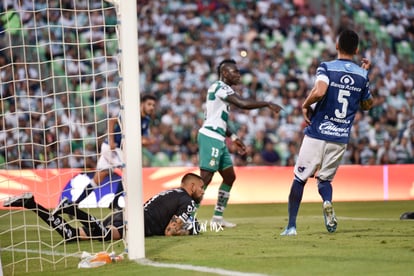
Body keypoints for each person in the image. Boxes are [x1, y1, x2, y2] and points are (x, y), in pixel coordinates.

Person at [280, 29, 374, 236]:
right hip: (340, 137)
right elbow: (368, 104)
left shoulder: (327, 67)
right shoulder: (362, 75)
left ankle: (291, 226)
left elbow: (320, 91)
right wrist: (364, 76)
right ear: (357, 49)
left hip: (317, 132)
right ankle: (328, 202)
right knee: (325, 180)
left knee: (299, 178)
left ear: (337, 46)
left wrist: (305, 104)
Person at [197, 59, 282, 227]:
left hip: (219, 138)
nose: (238, 75)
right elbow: (242, 104)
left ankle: (218, 218)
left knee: (229, 177)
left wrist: (234, 138)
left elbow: (219, 120)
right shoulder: (220, 87)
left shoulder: (222, 90)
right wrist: (266, 103)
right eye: (235, 71)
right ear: (225, 73)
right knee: (203, 180)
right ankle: (187, 217)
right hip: (210, 137)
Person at [3, 172, 205, 240]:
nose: (203, 192)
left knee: (70, 235)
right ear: (192, 186)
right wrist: (191, 231)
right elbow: (170, 231)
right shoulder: (187, 201)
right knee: (104, 234)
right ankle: (72, 208)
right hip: (137, 224)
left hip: (125, 215)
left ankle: (32, 205)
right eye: (202, 188)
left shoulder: (171, 192)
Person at [53, 94, 157, 212]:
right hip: (111, 148)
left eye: (153, 105)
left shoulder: (146, 121)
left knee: (97, 179)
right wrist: (112, 140)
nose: (151, 107)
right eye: (149, 104)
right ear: (142, 104)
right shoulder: (132, 114)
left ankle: (74, 204)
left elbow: (137, 139)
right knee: (129, 172)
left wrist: (148, 142)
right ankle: (115, 202)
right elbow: (112, 121)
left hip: (118, 150)